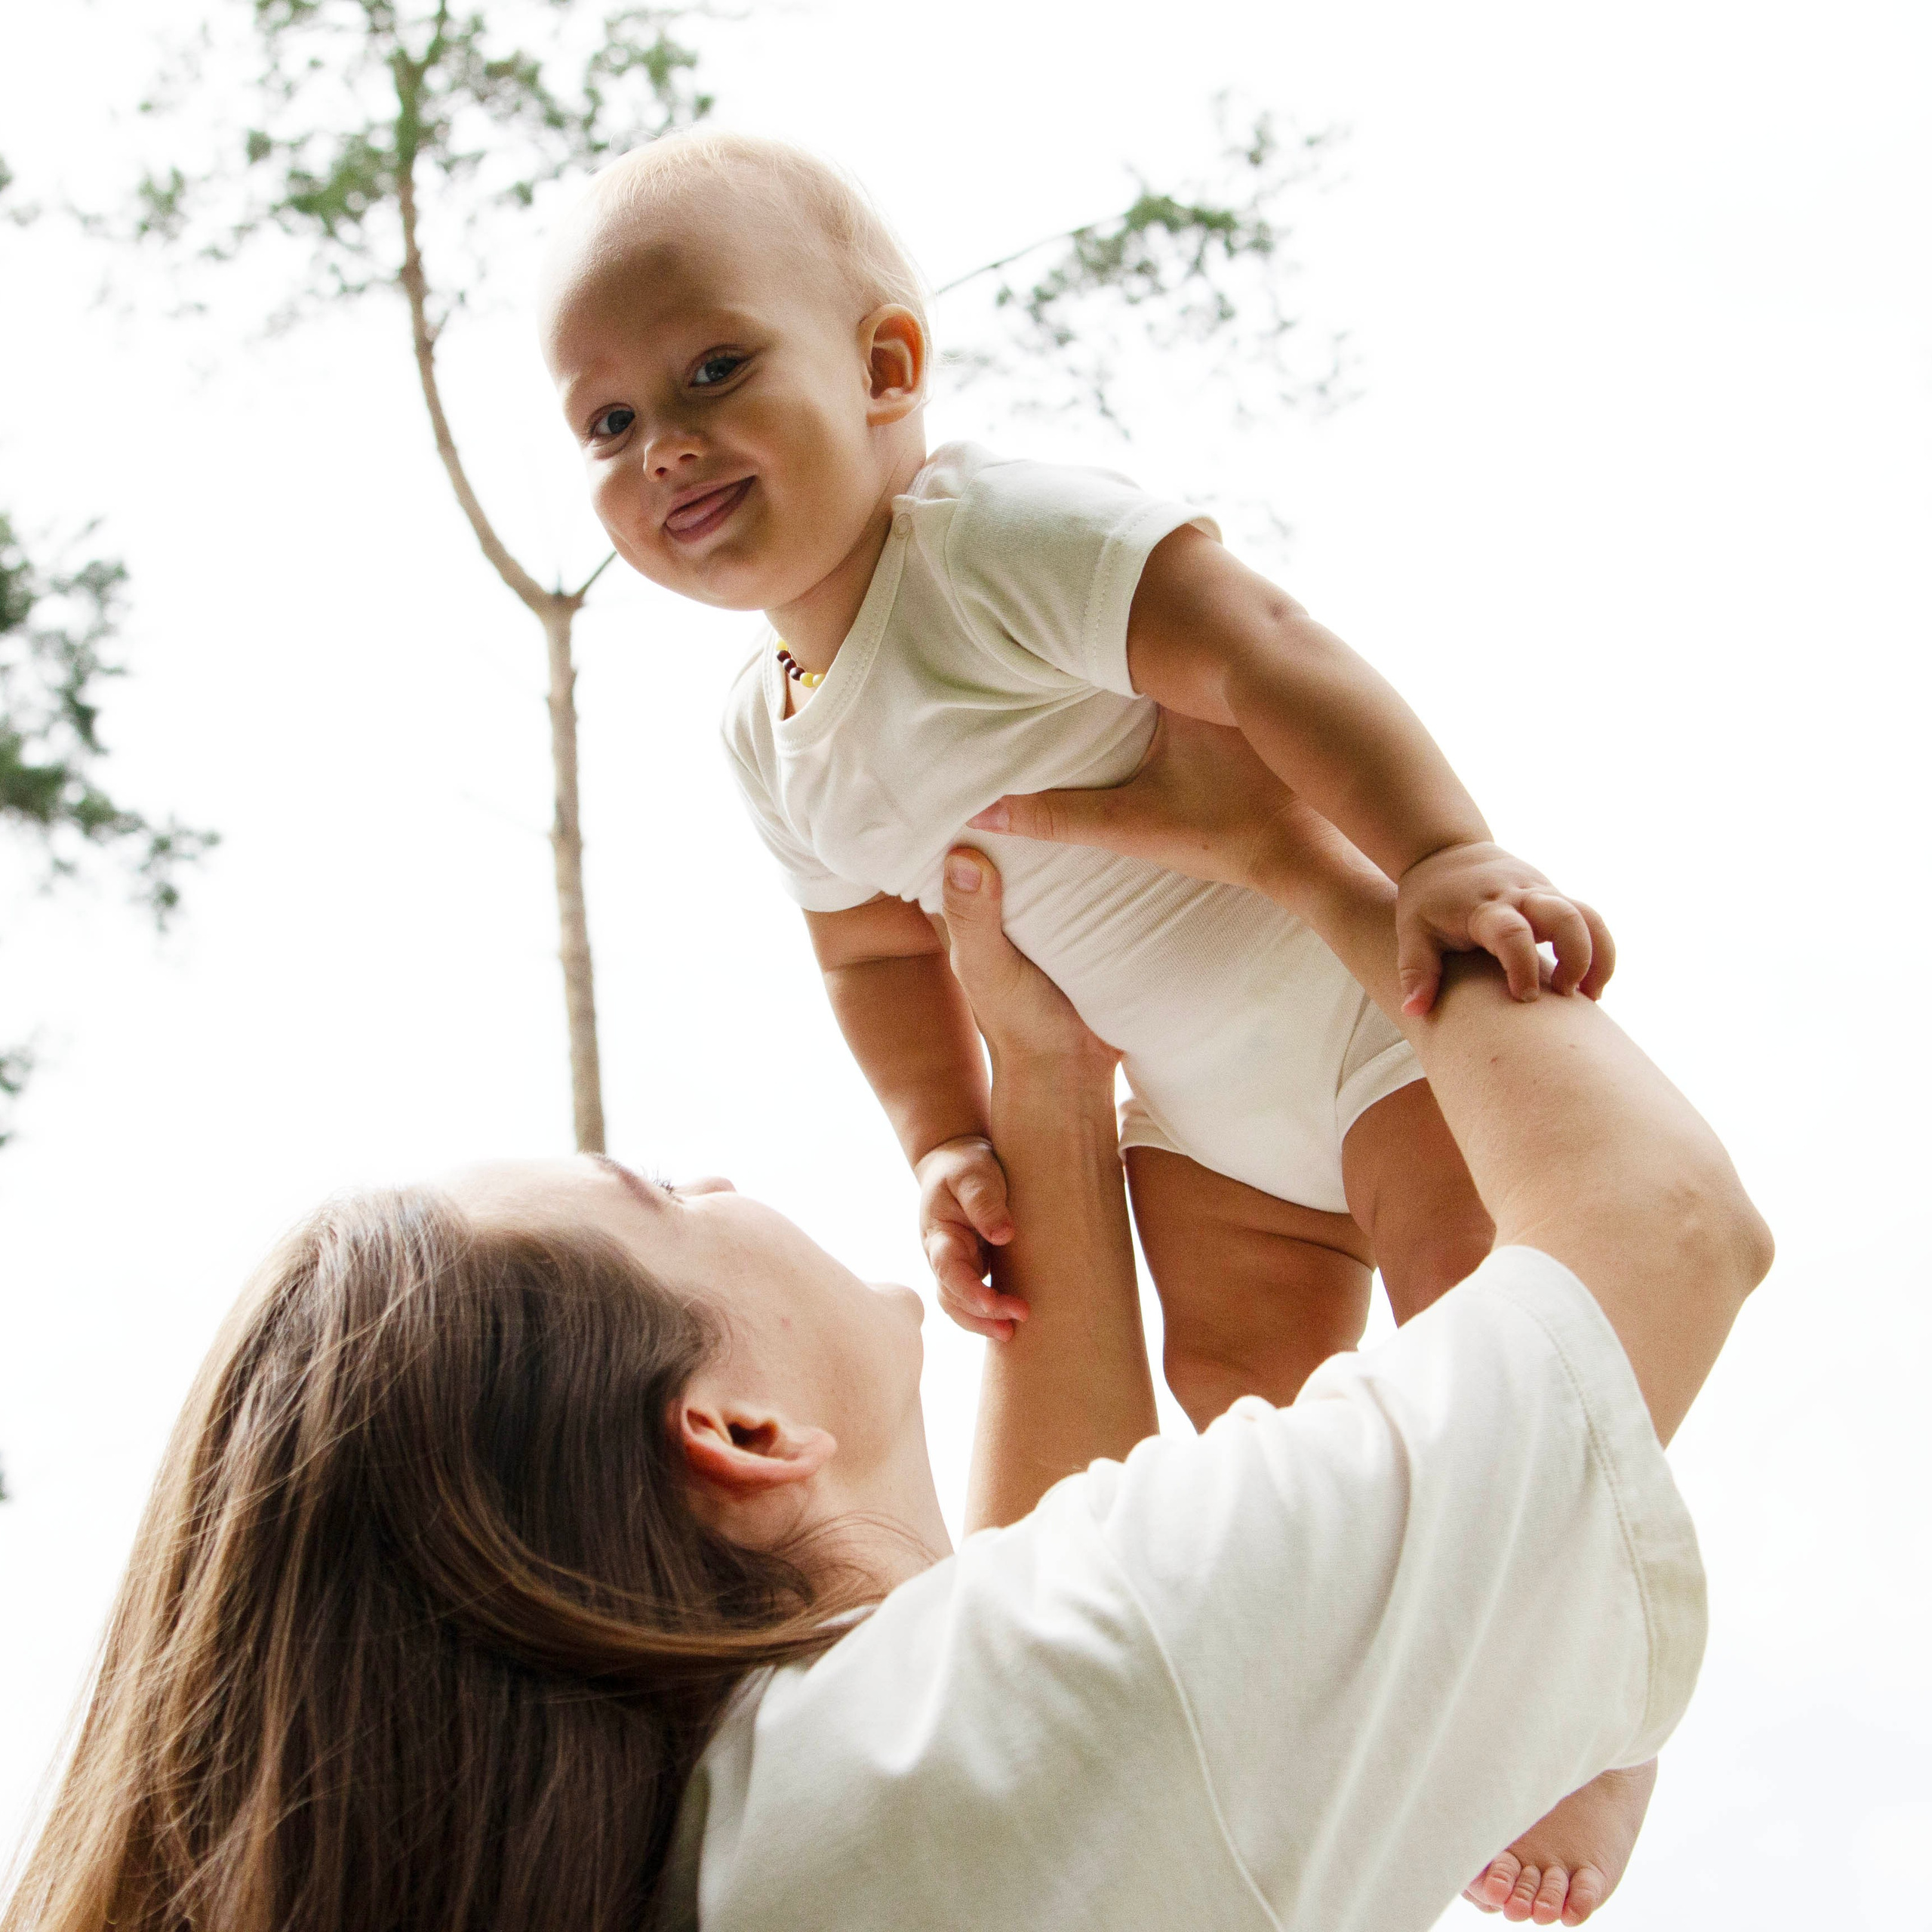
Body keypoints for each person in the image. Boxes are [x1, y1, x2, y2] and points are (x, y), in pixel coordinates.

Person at [2, 718, 1770, 1932]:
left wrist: (1049, 1090)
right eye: (661, 1194)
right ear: (737, 1428)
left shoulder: (748, 1846)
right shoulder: (912, 1784)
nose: (715, 1175)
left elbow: (1034, 1677)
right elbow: (1662, 1234)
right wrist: (1328, 859)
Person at [536, 129, 1615, 1438]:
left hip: (1362, 1009)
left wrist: (1440, 853)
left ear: (886, 369)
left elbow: (1257, 648)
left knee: (1481, 1338)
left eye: (715, 370)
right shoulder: (764, 739)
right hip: (1192, 1124)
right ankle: (1352, 1631)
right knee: (1232, 1398)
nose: (664, 445)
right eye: (611, 420)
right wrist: (945, 1140)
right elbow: (873, 957)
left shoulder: (986, 541)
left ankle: (1532, 1588)